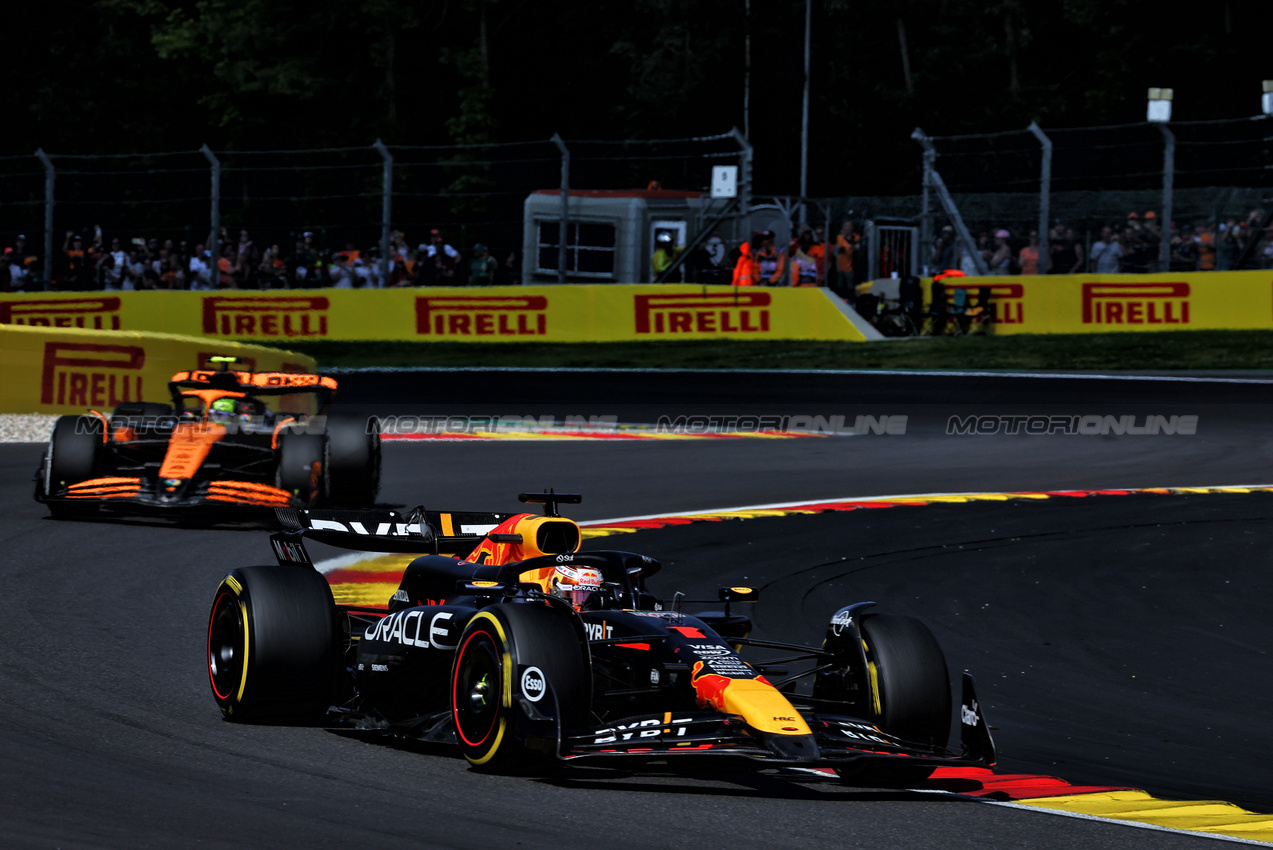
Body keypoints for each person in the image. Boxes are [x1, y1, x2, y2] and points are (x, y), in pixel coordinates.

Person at [834, 221, 858, 298]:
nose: (848, 228)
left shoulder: (856, 237)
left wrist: (851, 242)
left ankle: (851, 300)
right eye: (846, 226)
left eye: (849, 226)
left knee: (850, 286)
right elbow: (836, 249)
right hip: (840, 267)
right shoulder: (839, 237)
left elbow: (857, 248)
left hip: (850, 267)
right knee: (840, 285)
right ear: (843, 228)